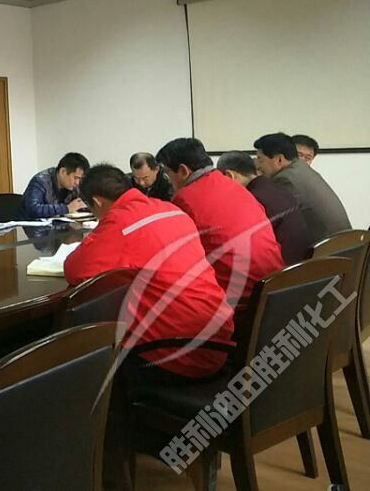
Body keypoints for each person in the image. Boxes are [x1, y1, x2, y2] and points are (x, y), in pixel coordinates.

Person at [64, 165, 234, 379]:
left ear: (97, 202)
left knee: (90, 326)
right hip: (219, 338)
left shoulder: (122, 222)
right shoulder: (171, 209)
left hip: (179, 353)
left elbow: (74, 269)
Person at [156, 138, 283, 305]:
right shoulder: (233, 185)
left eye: (167, 173)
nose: (167, 180)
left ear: (183, 170)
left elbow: (177, 256)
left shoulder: (184, 199)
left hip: (239, 300)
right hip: (274, 286)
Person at [254, 132, 350, 246]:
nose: (258, 165)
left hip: (327, 250)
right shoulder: (301, 169)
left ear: (279, 159)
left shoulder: (285, 179)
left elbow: (273, 220)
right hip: (345, 243)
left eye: (260, 160)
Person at [216, 152, 309, 265]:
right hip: (301, 262)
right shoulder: (273, 187)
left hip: (283, 268)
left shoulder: (253, 199)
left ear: (229, 176)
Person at [18, 152, 89, 220]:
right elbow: (33, 209)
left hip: (59, 225)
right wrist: (66, 208)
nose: (77, 183)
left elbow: (85, 201)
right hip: (31, 225)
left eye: (80, 179)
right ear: (63, 172)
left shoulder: (74, 185)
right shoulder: (41, 181)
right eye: (75, 178)